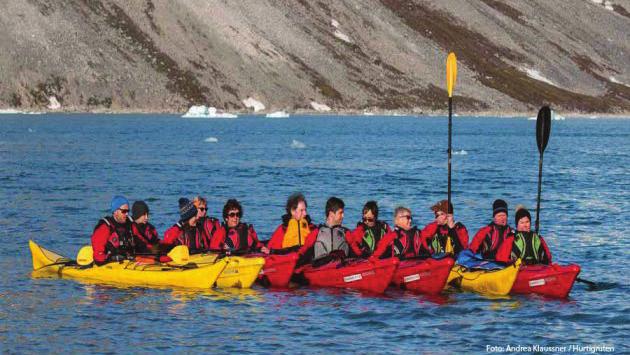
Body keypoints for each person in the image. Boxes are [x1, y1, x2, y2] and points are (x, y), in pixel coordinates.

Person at [297, 197, 361, 263]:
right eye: (340, 213)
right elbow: (302, 252)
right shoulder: (316, 233)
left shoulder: (346, 233)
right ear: (331, 214)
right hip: (321, 270)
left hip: (341, 270)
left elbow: (358, 254)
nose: (343, 216)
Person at [91, 195, 135, 265]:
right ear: (115, 211)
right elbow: (98, 257)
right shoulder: (105, 228)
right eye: (124, 211)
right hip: (110, 264)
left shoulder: (131, 223)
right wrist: (112, 258)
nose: (127, 214)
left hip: (129, 261)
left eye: (128, 211)